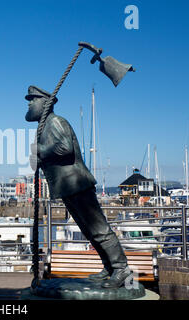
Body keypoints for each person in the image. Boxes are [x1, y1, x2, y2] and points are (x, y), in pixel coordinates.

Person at [25, 85, 132, 288]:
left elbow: (65, 148)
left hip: (76, 184)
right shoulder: (44, 127)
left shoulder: (56, 122)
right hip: (67, 187)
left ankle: (122, 269)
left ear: (45, 103)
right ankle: (110, 268)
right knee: (89, 230)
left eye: (33, 99)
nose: (29, 103)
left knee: (98, 229)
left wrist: (40, 150)